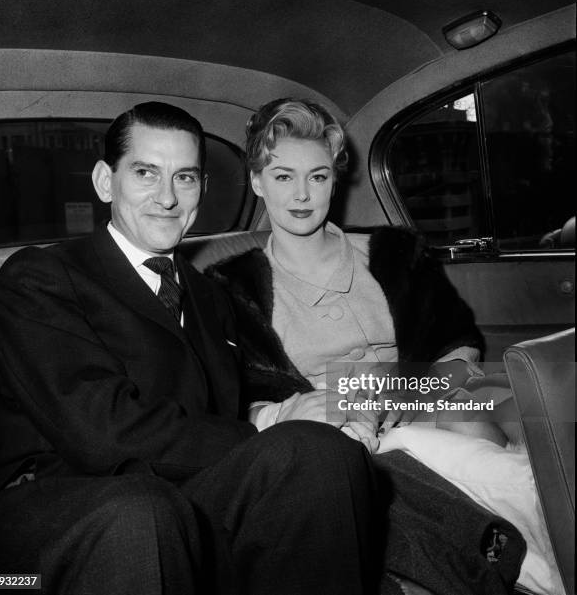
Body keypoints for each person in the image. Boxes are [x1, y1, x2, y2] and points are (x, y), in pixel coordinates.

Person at [0, 102, 383, 595]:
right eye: (146, 173)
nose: (167, 197)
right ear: (105, 181)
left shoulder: (212, 295)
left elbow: (233, 408)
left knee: (320, 452)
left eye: (184, 178)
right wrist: (265, 426)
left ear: (202, 190)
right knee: (139, 511)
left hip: (179, 487)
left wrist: (300, 414)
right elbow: (101, 433)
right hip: (49, 512)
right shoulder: (43, 277)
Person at [206, 98, 561, 594]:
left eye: (319, 176)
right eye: (284, 177)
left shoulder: (397, 252)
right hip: (336, 435)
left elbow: (458, 341)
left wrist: (416, 392)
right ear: (258, 182)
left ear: (335, 179)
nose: (303, 194)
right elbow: (230, 400)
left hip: (427, 400)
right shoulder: (229, 288)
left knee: (478, 414)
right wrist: (312, 409)